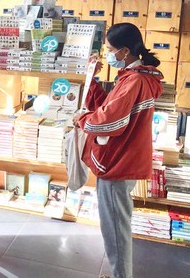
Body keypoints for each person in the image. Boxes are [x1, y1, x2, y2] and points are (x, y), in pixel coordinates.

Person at [73, 23, 163, 278]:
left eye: (111, 50)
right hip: (126, 158)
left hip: (119, 161)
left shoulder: (134, 80)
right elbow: (109, 107)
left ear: (124, 51)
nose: (108, 54)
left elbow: (110, 122)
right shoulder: (139, 76)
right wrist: (92, 79)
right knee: (115, 224)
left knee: (115, 229)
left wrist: (81, 119)